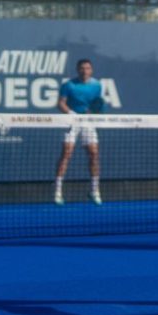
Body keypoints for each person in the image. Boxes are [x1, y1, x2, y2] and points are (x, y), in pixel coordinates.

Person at [54, 58, 104, 206]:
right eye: (82, 68)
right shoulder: (68, 85)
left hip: (87, 122)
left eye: (87, 68)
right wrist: (71, 114)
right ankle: (58, 192)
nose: (85, 71)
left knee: (94, 154)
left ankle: (94, 191)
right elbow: (60, 103)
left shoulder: (97, 85)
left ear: (91, 70)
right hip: (72, 121)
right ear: (78, 70)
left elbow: (96, 105)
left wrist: (92, 114)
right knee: (66, 153)